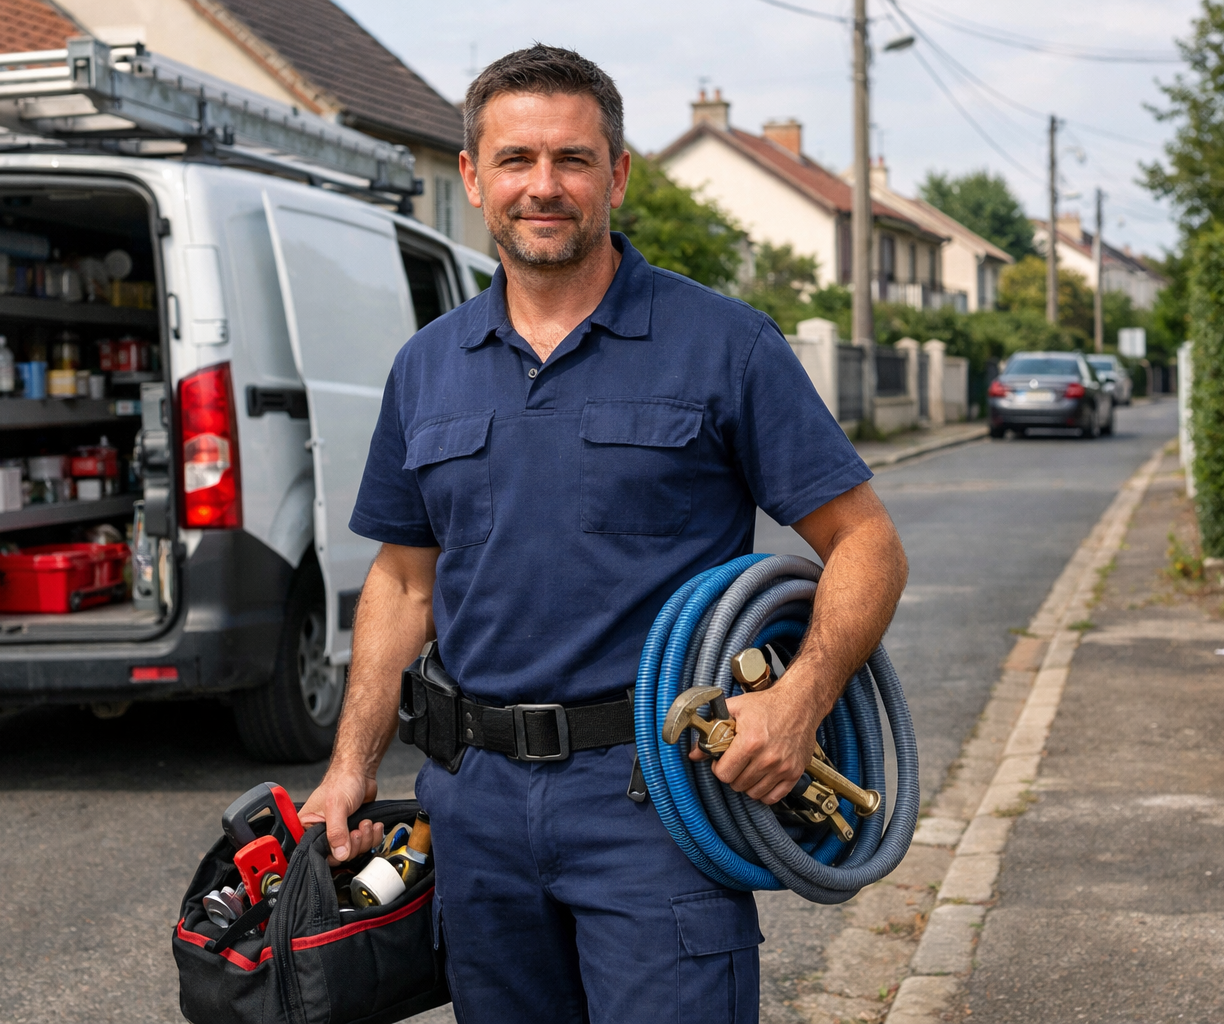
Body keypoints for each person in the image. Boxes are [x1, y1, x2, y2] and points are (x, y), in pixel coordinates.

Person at [298, 44, 907, 1023]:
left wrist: (798, 700)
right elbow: (404, 583)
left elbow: (868, 543)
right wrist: (350, 766)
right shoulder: (427, 366)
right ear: (472, 177)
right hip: (477, 805)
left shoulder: (723, 345)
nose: (545, 186)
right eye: (516, 160)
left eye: (573, 159)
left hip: (653, 800)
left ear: (616, 174)